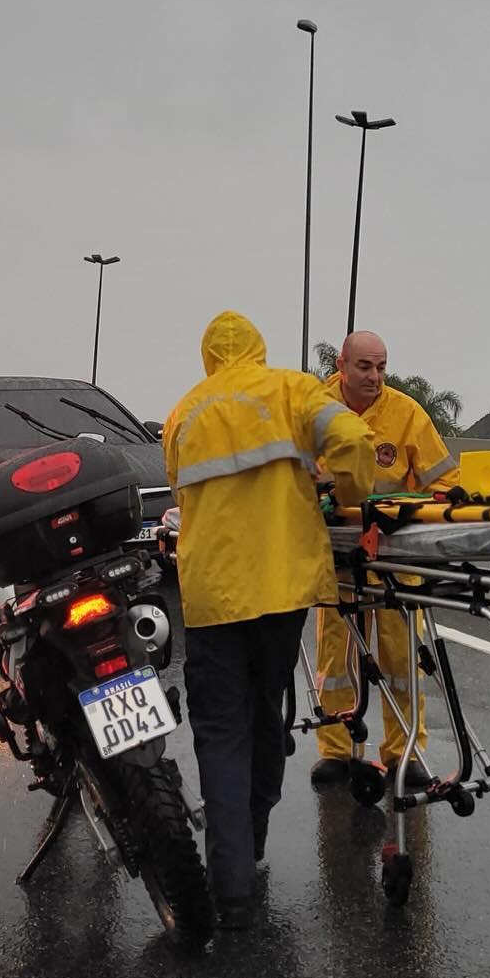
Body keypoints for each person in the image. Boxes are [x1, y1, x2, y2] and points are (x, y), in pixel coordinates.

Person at [163, 311, 373, 929]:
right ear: (257, 349)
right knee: (266, 713)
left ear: (208, 357)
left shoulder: (183, 413)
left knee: (222, 732)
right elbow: (356, 442)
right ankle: (252, 843)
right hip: (283, 590)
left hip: (212, 598)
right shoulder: (291, 388)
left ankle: (230, 883)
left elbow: (182, 496)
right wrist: (352, 494)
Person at [307, 330, 461, 791]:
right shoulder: (312, 409)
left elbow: (444, 479)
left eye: (381, 367)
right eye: (365, 367)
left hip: (393, 556)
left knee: (400, 659)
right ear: (342, 364)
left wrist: (430, 504)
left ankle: (405, 752)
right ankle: (336, 751)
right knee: (336, 657)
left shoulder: (405, 413)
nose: (374, 377)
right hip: (336, 555)